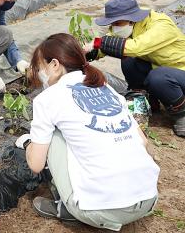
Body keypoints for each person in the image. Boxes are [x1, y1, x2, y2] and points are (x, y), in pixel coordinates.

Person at [17, 33, 159, 230]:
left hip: (101, 211)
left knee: (54, 136)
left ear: (55, 65)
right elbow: (143, 143)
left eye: (41, 67)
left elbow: (35, 164)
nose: (40, 74)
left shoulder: (48, 98)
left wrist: (29, 144)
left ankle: (67, 207)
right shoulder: (105, 88)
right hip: (148, 199)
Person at [83, 0, 185, 137]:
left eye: (117, 23)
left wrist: (97, 43)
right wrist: (86, 54)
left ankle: (181, 114)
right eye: (112, 23)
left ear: (131, 18)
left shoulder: (161, 25)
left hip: (180, 73)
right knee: (129, 60)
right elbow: (108, 44)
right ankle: (144, 100)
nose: (114, 27)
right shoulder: (129, 26)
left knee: (158, 77)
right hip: (160, 68)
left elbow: (137, 47)